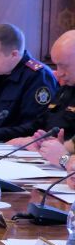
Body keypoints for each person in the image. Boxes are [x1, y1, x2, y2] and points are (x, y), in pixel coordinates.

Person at [18, 31, 75, 168]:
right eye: (57, 66)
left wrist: (63, 158)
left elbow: (66, 160)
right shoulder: (67, 89)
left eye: (64, 66)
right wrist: (51, 144)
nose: (59, 73)